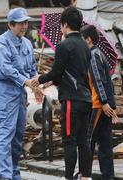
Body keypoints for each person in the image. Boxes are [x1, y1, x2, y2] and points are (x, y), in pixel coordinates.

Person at [32, 6, 92, 180]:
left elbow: (56, 73)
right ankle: (86, 177)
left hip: (71, 100)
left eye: (61, 25)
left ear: (65, 24)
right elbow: (69, 74)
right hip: (85, 99)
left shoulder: (64, 45)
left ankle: (67, 177)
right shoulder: (85, 46)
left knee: (69, 141)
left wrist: (40, 79)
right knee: (83, 142)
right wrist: (52, 80)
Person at [0, 8, 43, 180]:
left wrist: (36, 87)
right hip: (4, 91)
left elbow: (31, 69)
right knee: (5, 134)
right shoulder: (1, 43)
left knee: (17, 135)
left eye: (26, 22)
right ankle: (4, 176)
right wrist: (27, 82)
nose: (24, 26)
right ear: (10, 25)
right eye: (21, 23)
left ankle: (13, 173)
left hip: (20, 93)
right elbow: (6, 68)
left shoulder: (27, 43)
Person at [80, 25, 118, 180]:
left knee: (88, 141)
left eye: (82, 39)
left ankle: (85, 174)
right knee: (105, 143)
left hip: (97, 105)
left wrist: (103, 101)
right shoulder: (98, 54)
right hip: (104, 105)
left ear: (88, 39)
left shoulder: (93, 55)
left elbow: (98, 80)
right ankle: (107, 176)